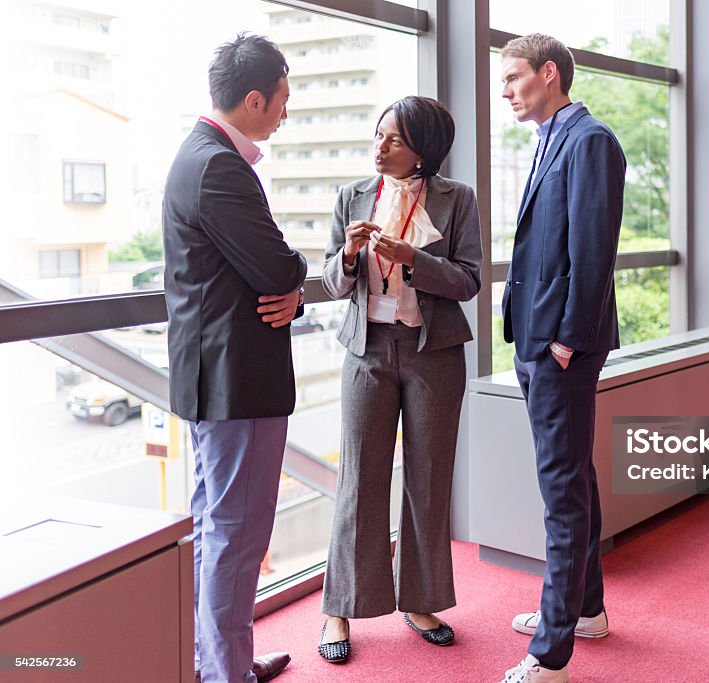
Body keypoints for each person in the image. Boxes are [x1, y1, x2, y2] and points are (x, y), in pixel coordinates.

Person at [317, 95, 482, 663]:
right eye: (378, 135)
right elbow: (331, 284)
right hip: (366, 351)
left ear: (423, 149)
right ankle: (339, 608)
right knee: (359, 481)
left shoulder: (457, 199)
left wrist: (413, 257)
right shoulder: (352, 197)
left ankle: (421, 600)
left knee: (429, 481)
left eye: (394, 139)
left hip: (433, 353)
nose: (380, 148)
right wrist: (347, 256)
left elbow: (469, 282)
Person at [162, 33, 306, 683]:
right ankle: (227, 672)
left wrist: (290, 290)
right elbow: (277, 263)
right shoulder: (218, 165)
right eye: (282, 98)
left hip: (213, 381)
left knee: (217, 529)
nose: (285, 110)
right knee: (234, 538)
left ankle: (219, 661)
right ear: (254, 98)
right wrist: (297, 277)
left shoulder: (199, 155)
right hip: (236, 384)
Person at [498, 34, 626, 683]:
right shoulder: (552, 139)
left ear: (550, 74)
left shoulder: (590, 140)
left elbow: (594, 248)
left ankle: (551, 653)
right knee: (573, 475)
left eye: (514, 76)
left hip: (562, 347)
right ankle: (588, 609)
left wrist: (567, 340)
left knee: (561, 492)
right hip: (538, 340)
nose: (505, 89)